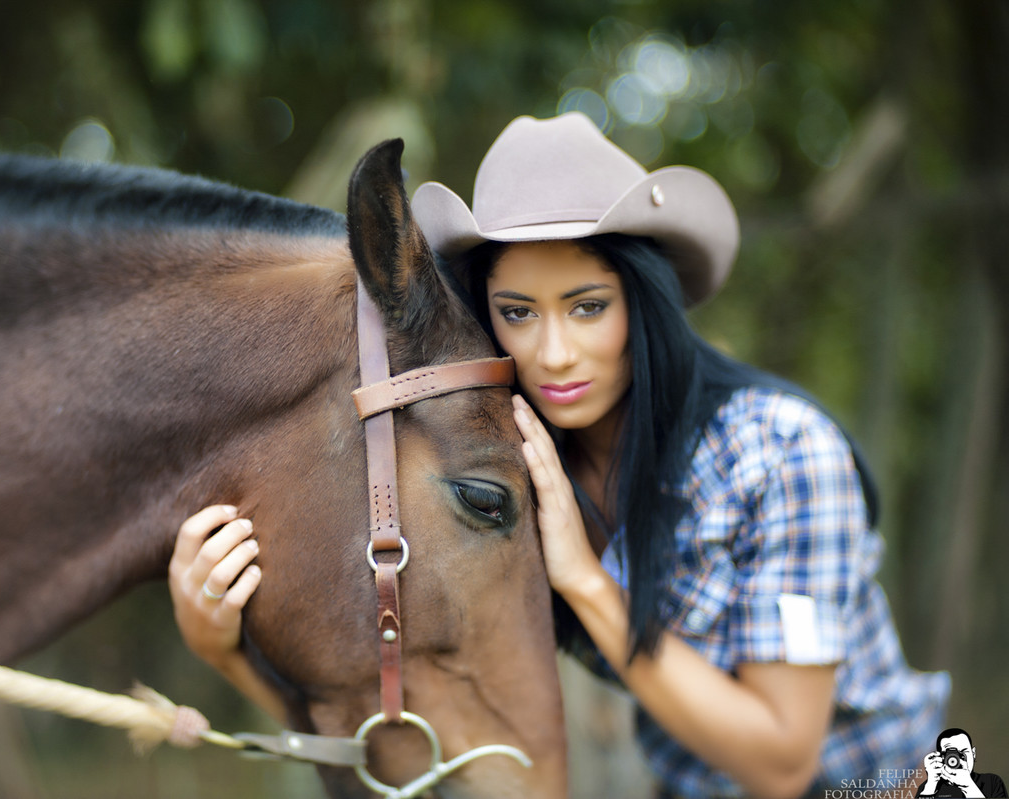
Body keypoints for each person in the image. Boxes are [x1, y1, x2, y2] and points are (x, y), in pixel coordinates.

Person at [168, 112, 951, 798]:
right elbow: (419, 745)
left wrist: (582, 577)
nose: (554, 353)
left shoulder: (779, 456)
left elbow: (783, 765)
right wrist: (225, 650)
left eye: (588, 307)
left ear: (642, 302)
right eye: (517, 312)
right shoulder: (508, 475)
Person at [917, 728, 1007, 797]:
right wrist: (931, 785)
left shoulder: (992, 782)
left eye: (962, 753)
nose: (956, 759)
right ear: (939, 757)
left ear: (973, 753)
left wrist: (968, 786)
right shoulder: (929, 787)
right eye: (949, 754)